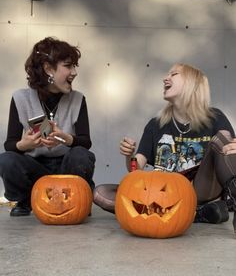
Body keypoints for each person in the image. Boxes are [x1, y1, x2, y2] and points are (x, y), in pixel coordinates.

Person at [93, 63, 236, 233]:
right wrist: (129, 155)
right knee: (100, 193)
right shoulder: (155, 125)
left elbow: (229, 148)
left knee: (223, 140)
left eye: (174, 74)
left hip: (201, 189)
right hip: (164, 194)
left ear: (192, 83)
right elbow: (135, 169)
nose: (165, 78)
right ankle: (199, 214)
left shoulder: (215, 117)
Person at [0, 37, 95, 217]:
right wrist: (25, 145)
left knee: (81, 154)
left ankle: (77, 200)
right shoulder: (21, 98)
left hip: (67, 169)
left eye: (75, 66)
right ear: (48, 68)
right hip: (35, 168)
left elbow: (86, 142)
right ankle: (26, 200)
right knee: (6, 159)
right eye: (68, 66)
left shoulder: (78, 99)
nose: (74, 72)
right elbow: (9, 145)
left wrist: (67, 139)